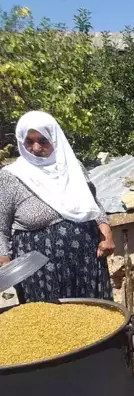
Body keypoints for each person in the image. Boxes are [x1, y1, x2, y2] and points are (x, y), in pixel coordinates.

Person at [0, 111, 115, 302]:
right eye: (29, 141)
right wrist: (4, 260)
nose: (35, 148)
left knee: (92, 319)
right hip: (39, 272)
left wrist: (106, 231)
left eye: (43, 140)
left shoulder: (72, 167)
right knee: (50, 325)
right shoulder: (11, 177)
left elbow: (94, 203)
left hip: (85, 262)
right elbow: (0, 228)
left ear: (55, 139)